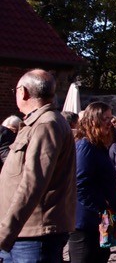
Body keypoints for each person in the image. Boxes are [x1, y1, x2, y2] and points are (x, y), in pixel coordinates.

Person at [0, 69, 76, 263]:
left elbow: (33, 183)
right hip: (23, 233)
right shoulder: (37, 123)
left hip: (32, 236)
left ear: (23, 92)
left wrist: (5, 232)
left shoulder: (46, 124)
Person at [70, 102, 116, 263]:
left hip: (97, 222)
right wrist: (102, 205)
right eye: (105, 118)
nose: (110, 122)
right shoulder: (85, 146)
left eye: (111, 118)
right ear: (93, 120)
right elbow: (79, 183)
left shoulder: (97, 146)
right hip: (85, 222)